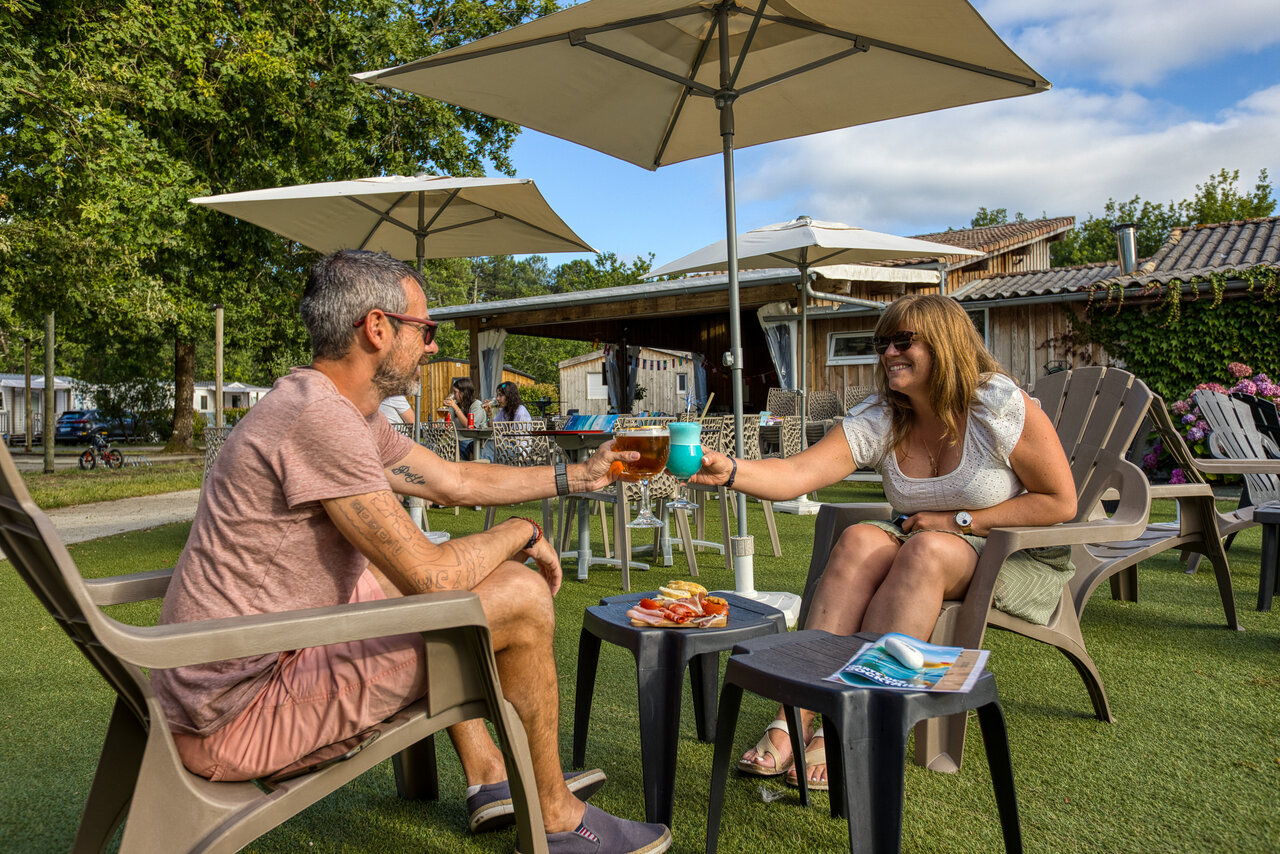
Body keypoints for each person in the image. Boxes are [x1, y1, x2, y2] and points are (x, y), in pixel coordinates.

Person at [154, 249, 671, 853]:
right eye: (425, 331)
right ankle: (554, 813)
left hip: (223, 676)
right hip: (236, 714)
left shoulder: (329, 407)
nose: (430, 347)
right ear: (378, 328)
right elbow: (431, 579)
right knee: (519, 595)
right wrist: (522, 534)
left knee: (401, 567)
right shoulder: (320, 419)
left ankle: (489, 774)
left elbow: (455, 482)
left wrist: (578, 476)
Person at [689, 293, 1077, 791]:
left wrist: (958, 520)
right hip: (922, 533)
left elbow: (1059, 501)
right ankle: (800, 712)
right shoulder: (883, 416)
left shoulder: (996, 406)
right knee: (856, 541)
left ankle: (855, 718)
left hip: (1007, 547)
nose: (888, 352)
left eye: (903, 340)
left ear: (946, 344)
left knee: (927, 551)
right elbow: (798, 472)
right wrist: (732, 470)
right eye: (881, 343)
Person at [479, 381, 533, 461]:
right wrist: (489, 415)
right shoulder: (504, 411)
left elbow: (516, 438)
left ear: (509, 396)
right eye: (497, 395)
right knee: (480, 446)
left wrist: (499, 439)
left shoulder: (520, 412)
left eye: (500, 395)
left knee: (489, 446)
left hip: (519, 449)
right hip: (506, 446)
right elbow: (493, 426)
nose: (497, 398)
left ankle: (485, 470)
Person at [443, 376, 486, 458]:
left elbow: (469, 426)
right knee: (437, 448)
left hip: (471, 442)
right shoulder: (456, 404)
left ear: (463, 392)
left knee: (451, 451)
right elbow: (448, 423)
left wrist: (455, 407)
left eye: (455, 392)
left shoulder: (476, 405)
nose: (453, 395)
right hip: (455, 441)